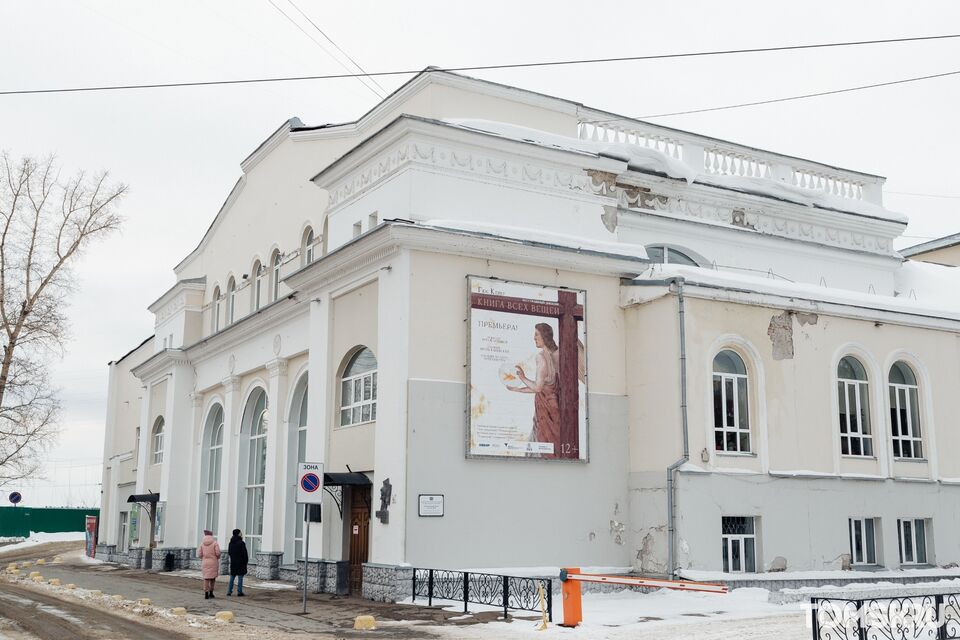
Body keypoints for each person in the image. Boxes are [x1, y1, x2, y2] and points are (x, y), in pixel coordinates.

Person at [508, 323, 561, 458]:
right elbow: (542, 387)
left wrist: (522, 377)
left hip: (545, 410)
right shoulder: (557, 354)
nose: (534, 337)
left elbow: (537, 388)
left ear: (544, 336)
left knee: (540, 445)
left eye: (537, 334)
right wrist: (517, 389)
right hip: (553, 407)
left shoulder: (541, 357)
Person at [197, 528, 221, 599]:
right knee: (212, 578)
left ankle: (206, 593)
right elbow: (218, 553)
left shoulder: (202, 544)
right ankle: (211, 593)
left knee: (206, 578)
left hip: (205, 562)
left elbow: (199, 554)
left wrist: (203, 558)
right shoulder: (215, 543)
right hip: (213, 562)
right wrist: (217, 557)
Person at [226, 529, 248, 597]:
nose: (241, 533)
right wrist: (245, 561)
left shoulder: (231, 543)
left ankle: (229, 591)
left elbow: (229, 552)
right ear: (238, 534)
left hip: (233, 562)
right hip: (241, 562)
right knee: (240, 577)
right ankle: (239, 591)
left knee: (232, 577)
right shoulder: (241, 543)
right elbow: (244, 554)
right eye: (240, 532)